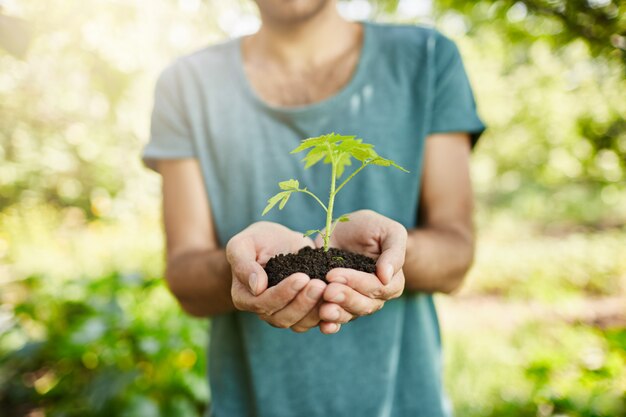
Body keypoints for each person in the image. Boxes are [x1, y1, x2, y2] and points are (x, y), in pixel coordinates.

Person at [142, 0, 485, 416]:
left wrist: (387, 257)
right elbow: (184, 276)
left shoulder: (427, 59)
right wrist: (249, 270)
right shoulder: (188, 83)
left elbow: (456, 253)